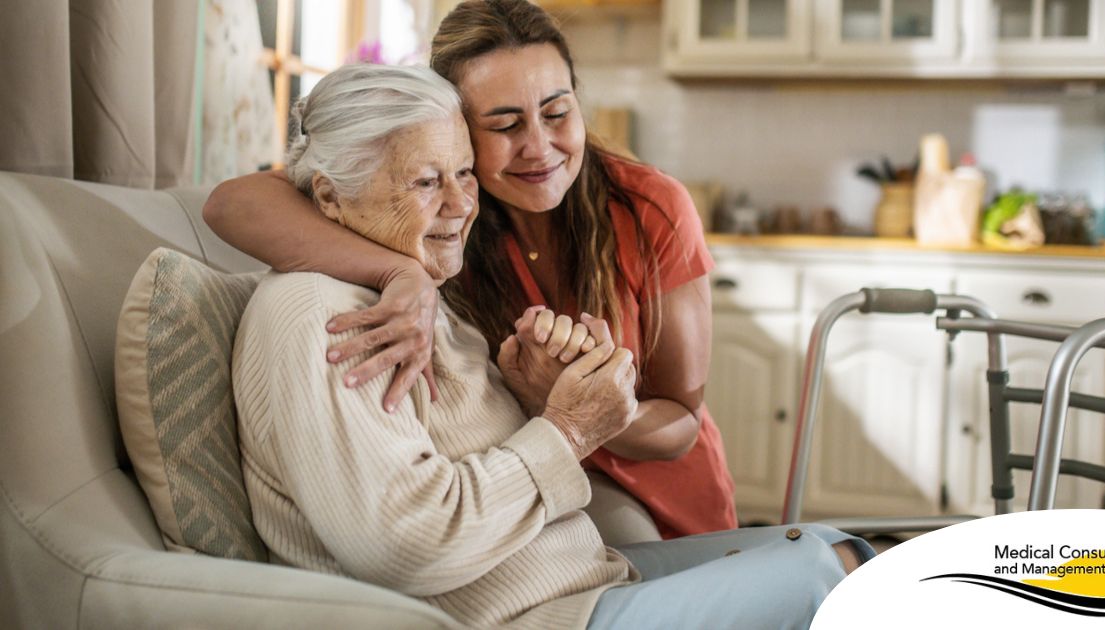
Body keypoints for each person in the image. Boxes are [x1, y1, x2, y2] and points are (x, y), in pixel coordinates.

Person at [234, 62, 870, 630]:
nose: (460, 204)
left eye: (461, 173)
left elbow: (462, 441)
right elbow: (407, 542)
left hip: (581, 579)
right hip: (541, 615)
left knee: (838, 546)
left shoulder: (411, 285)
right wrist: (566, 427)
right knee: (829, 571)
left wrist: (534, 388)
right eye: (426, 183)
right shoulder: (327, 318)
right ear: (327, 196)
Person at [205, 0, 734, 541]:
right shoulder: (446, 218)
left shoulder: (649, 207)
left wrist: (586, 408)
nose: (539, 147)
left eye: (557, 113)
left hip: (666, 499)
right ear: (456, 127)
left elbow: (682, 425)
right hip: (534, 493)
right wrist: (399, 273)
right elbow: (231, 204)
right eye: (504, 124)